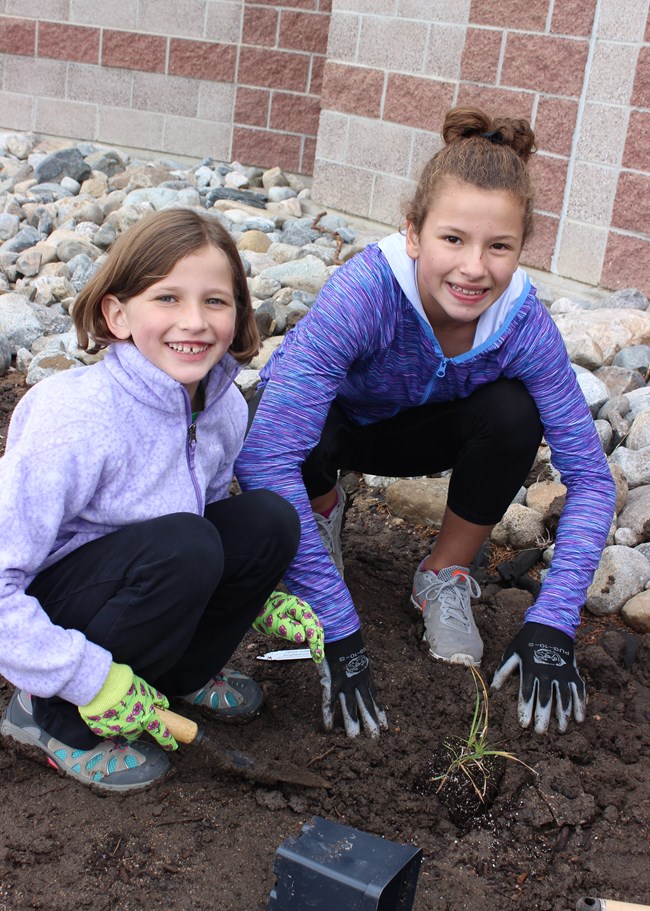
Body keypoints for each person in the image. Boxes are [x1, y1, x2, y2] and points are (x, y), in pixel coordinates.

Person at [236, 106, 616, 740]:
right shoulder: (366, 293)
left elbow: (592, 481)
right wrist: (339, 622)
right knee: (278, 419)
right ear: (413, 234)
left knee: (514, 412)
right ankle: (320, 524)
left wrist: (556, 619)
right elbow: (265, 453)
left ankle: (443, 574)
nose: (474, 267)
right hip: (338, 432)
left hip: (429, 438)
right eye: (453, 240)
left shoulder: (525, 325)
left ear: (522, 249)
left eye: (499, 247)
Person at [0, 207, 324, 794]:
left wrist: (256, 595)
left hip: (152, 569)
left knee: (268, 521)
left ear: (239, 314)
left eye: (215, 301)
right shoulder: (72, 417)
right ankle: (50, 717)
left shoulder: (222, 405)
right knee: (187, 545)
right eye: (168, 299)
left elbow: (205, 519)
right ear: (117, 314)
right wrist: (87, 677)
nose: (194, 322)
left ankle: (178, 672)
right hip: (54, 609)